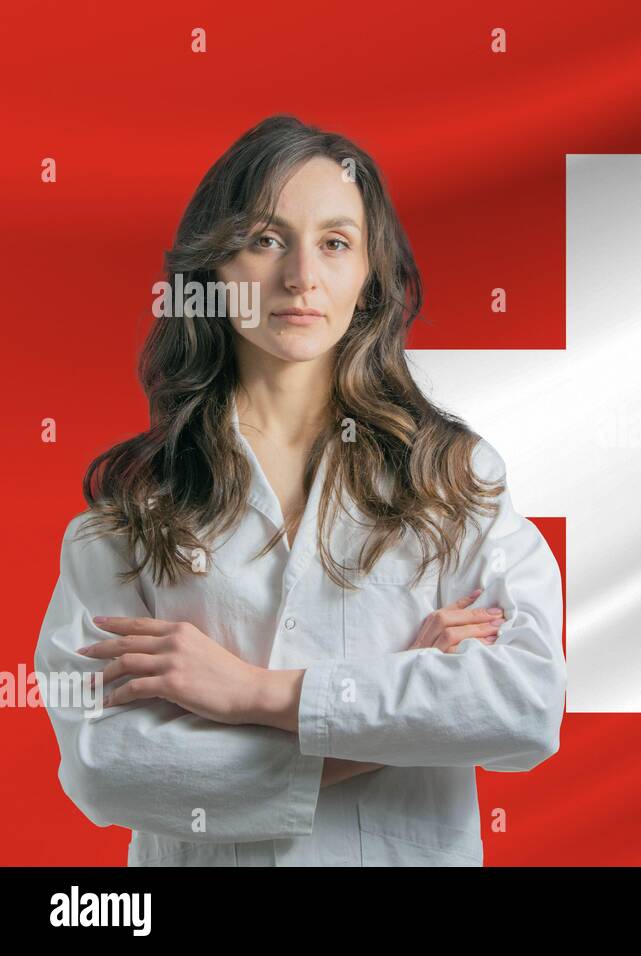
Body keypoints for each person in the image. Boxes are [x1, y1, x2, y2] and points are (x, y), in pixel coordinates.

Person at [32, 115, 567, 866]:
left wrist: (253, 694)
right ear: (212, 269)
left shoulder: (452, 479)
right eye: (265, 239)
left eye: (335, 243)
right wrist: (385, 724)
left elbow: (525, 706)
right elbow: (104, 765)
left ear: (369, 276)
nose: (301, 277)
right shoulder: (133, 510)